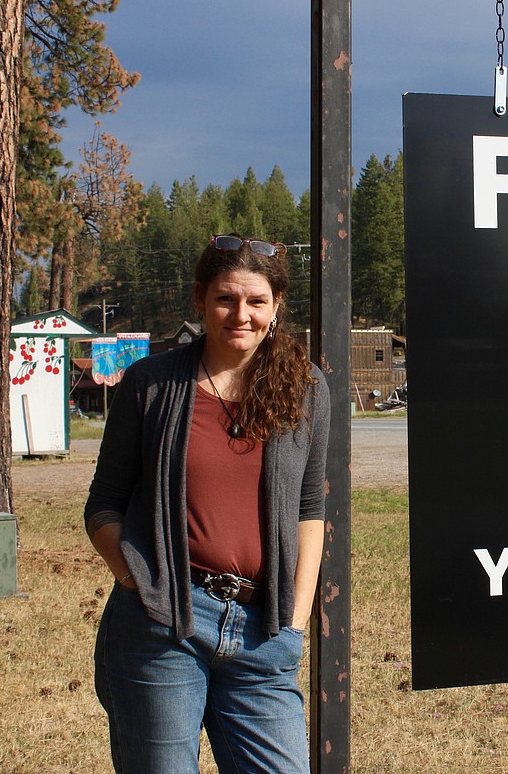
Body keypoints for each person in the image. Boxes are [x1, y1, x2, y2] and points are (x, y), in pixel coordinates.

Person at [84, 234, 330, 773]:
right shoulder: (151, 383)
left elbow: (310, 507)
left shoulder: (306, 388)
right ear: (201, 300)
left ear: (276, 306)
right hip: (163, 627)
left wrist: (296, 617)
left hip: (265, 630)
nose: (240, 315)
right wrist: (140, 579)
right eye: (226, 299)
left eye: (256, 301)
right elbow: (103, 505)